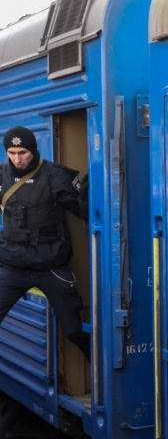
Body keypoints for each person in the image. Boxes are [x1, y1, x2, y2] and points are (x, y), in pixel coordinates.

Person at [0, 126, 90, 358]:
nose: (17, 159)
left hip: (50, 267)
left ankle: (105, 371)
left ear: (34, 149)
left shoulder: (55, 175)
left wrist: (93, 188)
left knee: (73, 331)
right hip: (13, 266)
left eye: (23, 152)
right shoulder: (1, 175)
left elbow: (84, 211)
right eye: (12, 152)